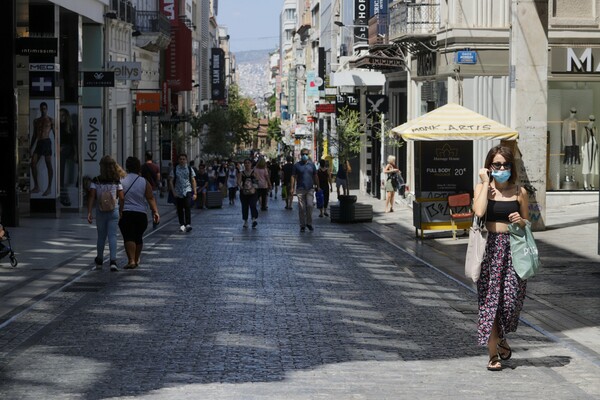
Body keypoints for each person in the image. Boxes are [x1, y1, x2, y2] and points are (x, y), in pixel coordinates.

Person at [472, 145, 529, 371]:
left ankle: (502, 337)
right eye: (497, 164)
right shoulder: (482, 187)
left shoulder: (519, 192)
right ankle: (492, 354)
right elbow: (478, 212)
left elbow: (527, 222)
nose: (502, 168)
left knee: (511, 300)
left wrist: (520, 221)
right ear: (489, 166)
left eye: (505, 164)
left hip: (514, 249)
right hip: (489, 249)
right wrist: (486, 182)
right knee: (490, 304)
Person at [119, 156, 160, 269]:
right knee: (138, 237)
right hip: (141, 214)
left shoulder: (122, 180)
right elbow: (150, 198)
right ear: (138, 167)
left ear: (127, 167)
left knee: (128, 237)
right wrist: (155, 212)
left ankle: (131, 260)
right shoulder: (143, 181)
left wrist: (118, 211)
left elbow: (119, 197)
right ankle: (136, 259)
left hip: (126, 212)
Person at [87, 155, 125, 271]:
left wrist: (89, 212)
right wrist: (121, 210)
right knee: (113, 236)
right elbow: (122, 197)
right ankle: (113, 261)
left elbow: (92, 196)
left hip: (100, 211)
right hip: (113, 210)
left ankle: (99, 260)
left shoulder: (96, 180)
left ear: (101, 167)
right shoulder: (116, 180)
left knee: (101, 237)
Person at [290, 149, 320, 232]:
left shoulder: (312, 165)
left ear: (308, 154)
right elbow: (293, 176)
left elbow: (315, 176)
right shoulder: (297, 165)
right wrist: (292, 188)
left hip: (310, 189)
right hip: (300, 189)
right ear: (300, 155)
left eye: (306, 154)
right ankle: (302, 225)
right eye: (303, 154)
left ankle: (309, 223)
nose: (304, 155)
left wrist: (318, 186)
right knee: (302, 208)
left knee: (310, 206)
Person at [30, 102, 55, 196]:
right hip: (39, 143)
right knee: (32, 163)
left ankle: (49, 188)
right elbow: (34, 135)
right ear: (40, 109)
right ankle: (36, 187)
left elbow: (55, 134)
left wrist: (57, 146)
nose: (43, 110)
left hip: (47, 142)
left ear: (47, 109)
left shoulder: (50, 120)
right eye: (42, 108)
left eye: (44, 108)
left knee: (49, 164)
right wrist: (31, 147)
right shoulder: (36, 121)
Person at [168, 153, 197, 232]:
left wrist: (195, 192)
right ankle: (182, 224)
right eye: (180, 159)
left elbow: (193, 180)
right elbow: (170, 181)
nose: (182, 160)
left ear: (186, 160)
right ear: (178, 160)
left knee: (187, 207)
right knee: (180, 209)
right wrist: (173, 192)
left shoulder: (190, 169)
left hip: (187, 190)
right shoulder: (175, 169)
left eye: (183, 159)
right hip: (178, 192)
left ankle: (188, 224)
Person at [59, 108, 77, 207]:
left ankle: (64, 194)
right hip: (62, 150)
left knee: (67, 174)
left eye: (63, 115)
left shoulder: (70, 127)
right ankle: (63, 195)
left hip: (68, 149)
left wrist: (75, 154)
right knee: (61, 173)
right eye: (60, 115)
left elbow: (74, 142)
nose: (61, 117)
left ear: (66, 116)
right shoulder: (58, 126)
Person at [238, 158, 259, 228]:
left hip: (253, 192)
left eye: (248, 163)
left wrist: (254, 188)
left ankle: (254, 219)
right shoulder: (241, 173)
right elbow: (238, 181)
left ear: (251, 164)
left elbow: (257, 181)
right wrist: (241, 187)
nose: (247, 164)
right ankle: (245, 221)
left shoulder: (254, 172)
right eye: (245, 163)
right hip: (244, 192)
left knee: (253, 204)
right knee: (244, 206)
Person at [562, 108, 580, 182]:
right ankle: (566, 175)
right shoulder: (566, 121)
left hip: (575, 142)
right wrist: (563, 143)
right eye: (572, 112)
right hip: (568, 142)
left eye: (575, 112)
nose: (573, 113)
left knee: (574, 159)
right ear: (570, 111)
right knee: (567, 159)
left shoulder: (576, 121)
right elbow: (563, 132)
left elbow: (578, 133)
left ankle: (573, 176)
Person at [582, 115, 598, 190]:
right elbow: (582, 140)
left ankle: (592, 183)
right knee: (586, 165)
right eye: (591, 119)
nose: (592, 121)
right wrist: (582, 150)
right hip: (587, 148)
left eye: (593, 120)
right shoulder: (584, 129)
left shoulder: (595, 128)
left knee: (594, 166)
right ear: (588, 120)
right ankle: (585, 183)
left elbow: (596, 139)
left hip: (594, 149)